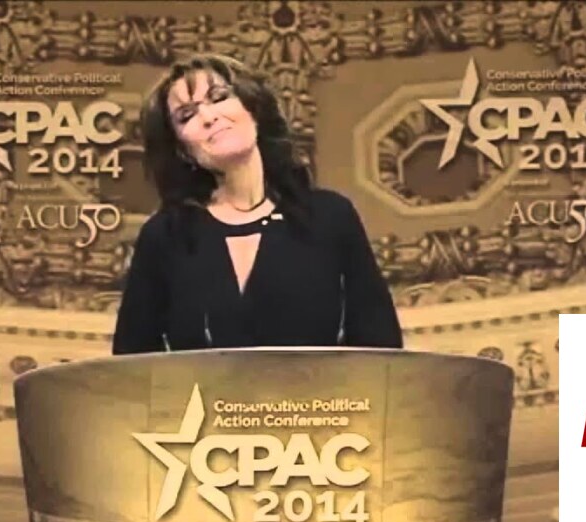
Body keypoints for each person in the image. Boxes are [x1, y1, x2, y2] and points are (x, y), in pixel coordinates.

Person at [111, 53, 403, 355]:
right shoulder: (165, 236)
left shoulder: (330, 217)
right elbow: (132, 366)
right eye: (187, 116)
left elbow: (381, 352)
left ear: (253, 108)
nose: (208, 117)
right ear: (183, 151)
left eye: (219, 97)